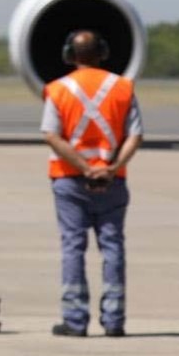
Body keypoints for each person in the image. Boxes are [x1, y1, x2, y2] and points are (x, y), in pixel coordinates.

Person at [41, 30, 142, 338]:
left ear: (70, 54)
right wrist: (111, 168)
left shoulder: (58, 90)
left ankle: (74, 320)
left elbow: (51, 134)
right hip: (112, 183)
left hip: (70, 181)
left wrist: (84, 167)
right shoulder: (123, 88)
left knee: (73, 247)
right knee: (113, 247)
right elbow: (135, 135)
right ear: (103, 52)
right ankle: (114, 320)